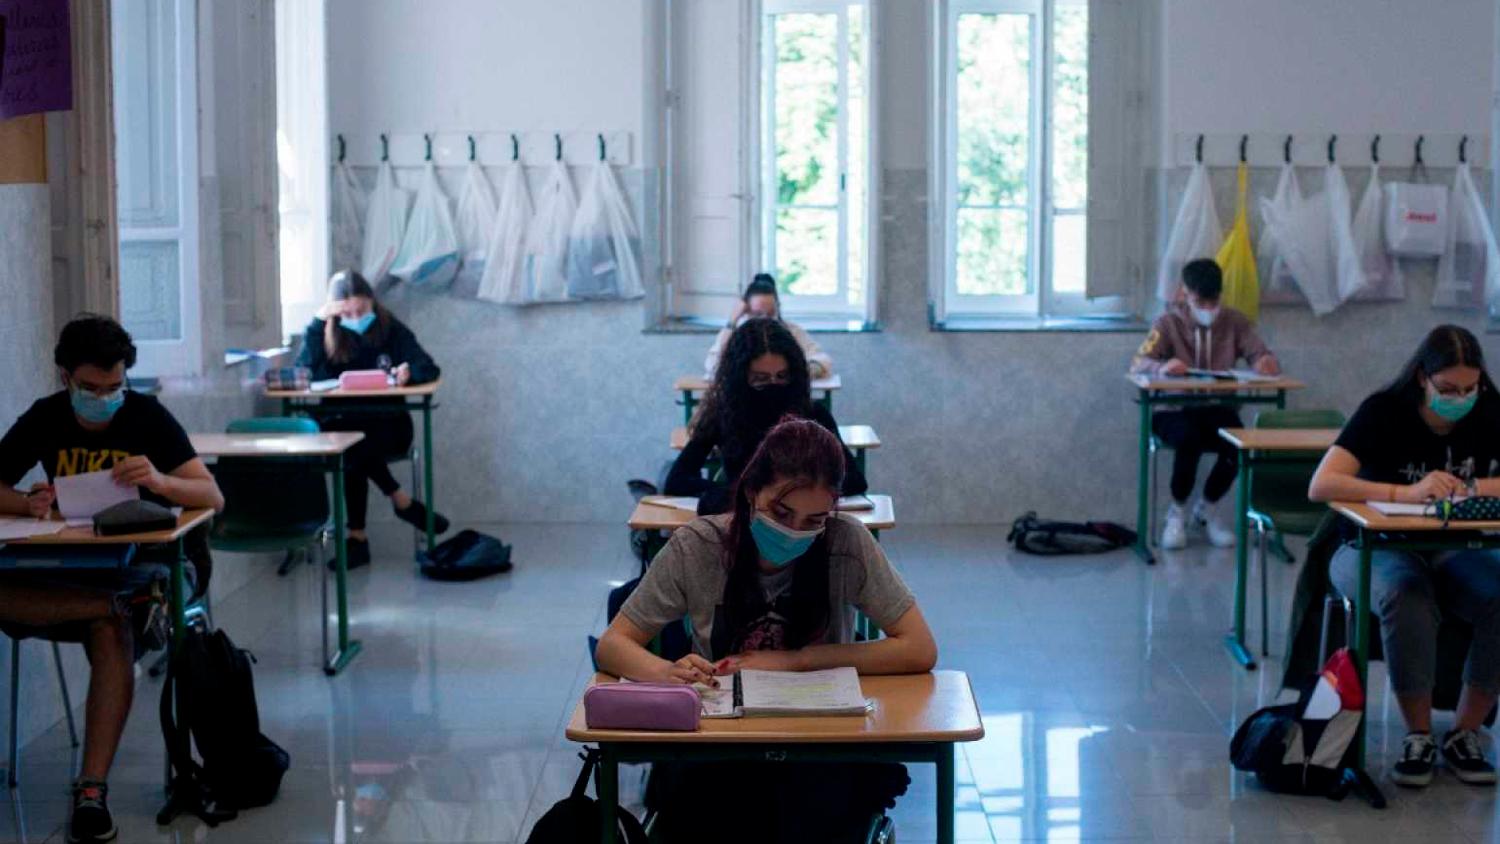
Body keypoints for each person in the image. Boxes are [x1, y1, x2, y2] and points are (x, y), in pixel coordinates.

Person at [597, 418, 936, 842]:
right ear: (752, 490)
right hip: (720, 744)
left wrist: (798, 661)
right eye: (781, 512)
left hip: (821, 743)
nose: (794, 531)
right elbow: (613, 644)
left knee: (811, 816)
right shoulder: (699, 546)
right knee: (709, 816)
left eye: (813, 519)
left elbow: (919, 647)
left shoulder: (845, 543)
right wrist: (666, 674)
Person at [0, 315, 224, 844]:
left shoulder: (147, 417)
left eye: (113, 387)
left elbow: (212, 497)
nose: (103, 397)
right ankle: (111, 606)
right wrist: (28, 505)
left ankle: (91, 792)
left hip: (150, 567)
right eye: (90, 388)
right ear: (65, 378)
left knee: (112, 631)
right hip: (70, 575)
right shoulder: (46, 417)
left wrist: (158, 480)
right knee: (106, 610)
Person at [1309, 325, 1500, 789]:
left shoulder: (1490, 411)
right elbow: (1323, 484)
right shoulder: (1384, 412)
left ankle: (1464, 732)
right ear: (1422, 378)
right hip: (1366, 547)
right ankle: (1418, 736)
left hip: (1449, 548)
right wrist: (1406, 492)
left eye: (1469, 388)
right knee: (1403, 593)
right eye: (1448, 389)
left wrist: (1472, 488)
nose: (1461, 398)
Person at [296, 270, 449, 568]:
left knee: (351, 446)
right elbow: (303, 373)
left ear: (372, 303)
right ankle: (400, 501)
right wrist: (317, 324)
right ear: (334, 311)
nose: (355, 316)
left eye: (361, 310)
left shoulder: (391, 329)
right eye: (347, 312)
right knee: (349, 442)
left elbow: (428, 368)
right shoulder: (325, 333)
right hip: (341, 422)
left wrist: (409, 373)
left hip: (389, 426)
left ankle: (358, 540)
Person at [1130, 258, 1280, 549]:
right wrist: (1161, 367)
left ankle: (1207, 508)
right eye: (1201, 302)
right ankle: (1177, 511)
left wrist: (1264, 361)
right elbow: (1138, 362)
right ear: (1185, 294)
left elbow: (1259, 352)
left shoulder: (1234, 322)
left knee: (1238, 443)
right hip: (1172, 411)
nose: (1208, 309)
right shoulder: (1167, 323)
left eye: (1214, 302)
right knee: (1189, 439)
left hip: (1216, 409)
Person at [668, 317, 866, 515]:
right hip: (744, 522)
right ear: (741, 378)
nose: (773, 386)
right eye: (760, 379)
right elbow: (678, 479)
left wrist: (796, 492)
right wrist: (736, 494)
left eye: (782, 377)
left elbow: (853, 480)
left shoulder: (811, 413)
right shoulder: (725, 414)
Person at [704, 273, 832, 379]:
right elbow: (712, 366)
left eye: (770, 314)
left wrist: (798, 372)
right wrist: (732, 320)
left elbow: (822, 359)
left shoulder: (790, 331)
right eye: (757, 315)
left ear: (778, 308)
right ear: (746, 311)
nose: (765, 321)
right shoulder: (736, 332)